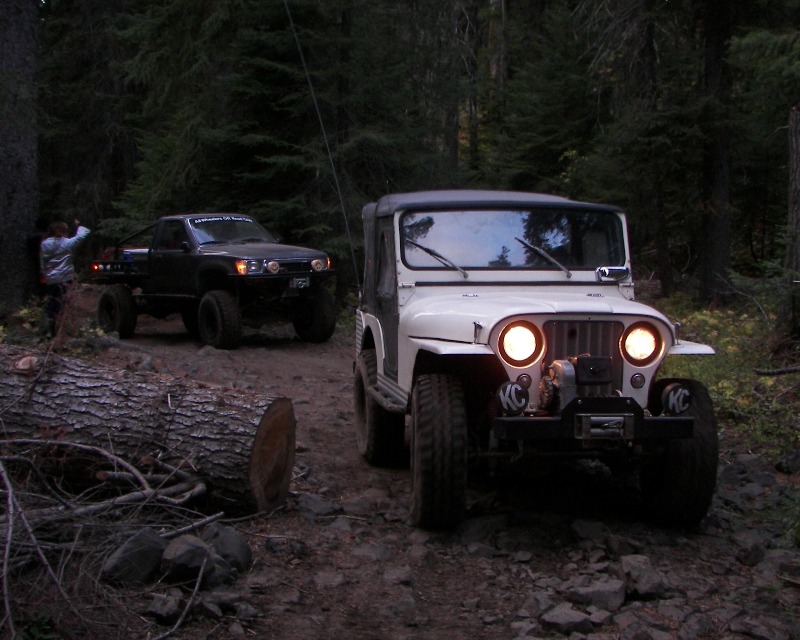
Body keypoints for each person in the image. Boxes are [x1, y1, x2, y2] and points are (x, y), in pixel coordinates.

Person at [40, 218, 90, 336]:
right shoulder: (67, 243)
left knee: (52, 302)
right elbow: (82, 236)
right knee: (64, 303)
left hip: (51, 278)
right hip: (65, 277)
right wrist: (79, 226)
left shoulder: (44, 244)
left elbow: (43, 261)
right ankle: (61, 330)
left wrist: (45, 274)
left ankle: (50, 329)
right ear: (64, 231)